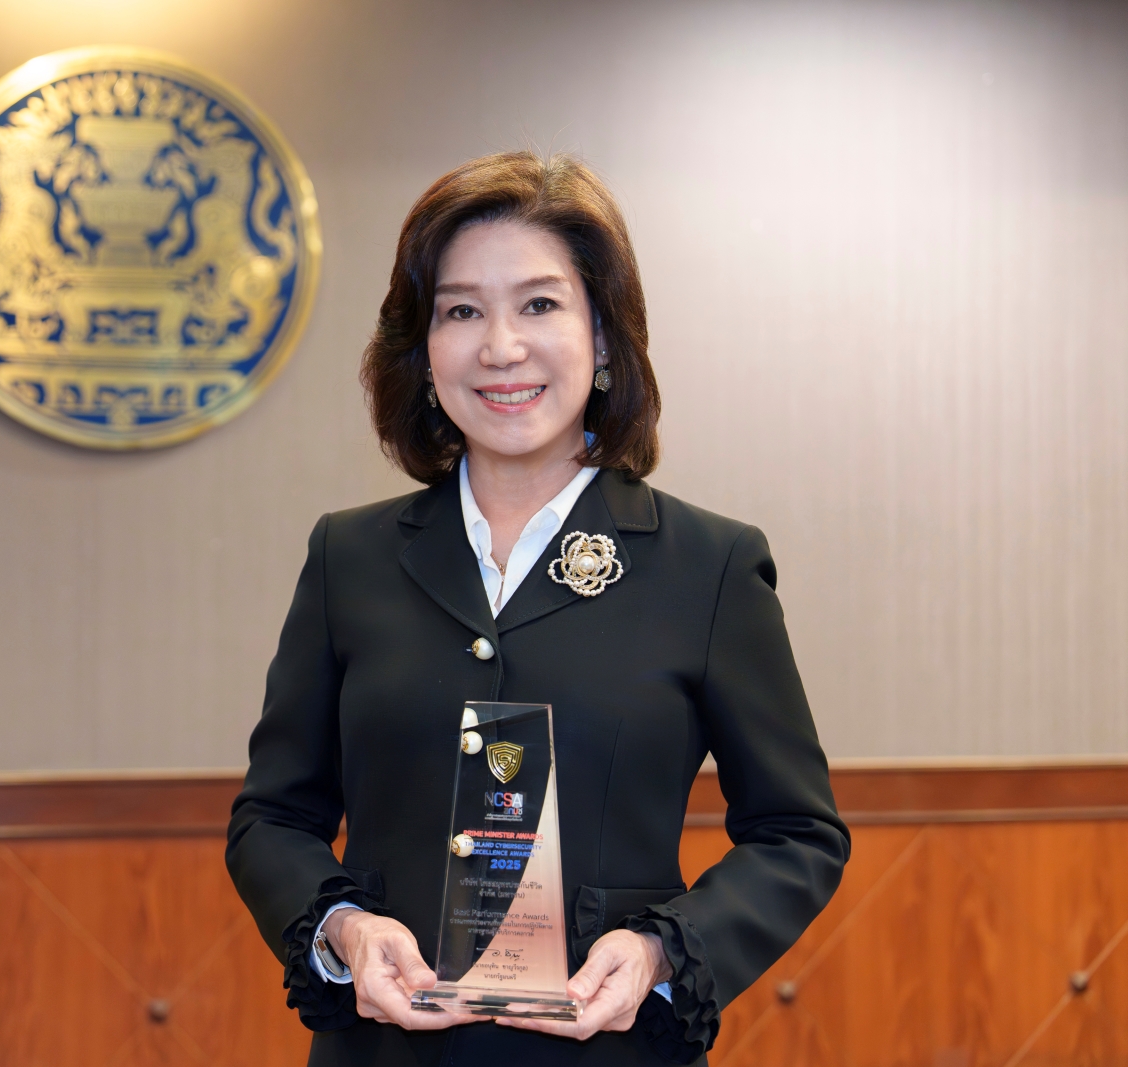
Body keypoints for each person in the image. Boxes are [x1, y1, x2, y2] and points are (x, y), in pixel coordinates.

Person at [226, 151, 849, 1066]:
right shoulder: (347, 558)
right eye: (461, 311)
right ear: (422, 350)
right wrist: (344, 928)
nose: (500, 347)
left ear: (605, 338)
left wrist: (660, 953)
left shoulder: (709, 566)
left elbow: (797, 833)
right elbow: (272, 817)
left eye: (540, 304)